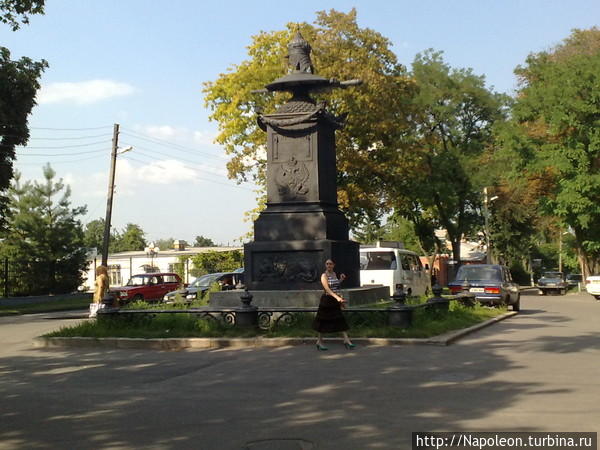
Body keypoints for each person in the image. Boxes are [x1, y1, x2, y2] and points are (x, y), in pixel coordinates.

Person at [312, 259, 356, 350]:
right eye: (327, 264)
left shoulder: (334, 274)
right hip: (327, 301)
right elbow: (327, 289)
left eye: (330, 264)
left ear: (334, 265)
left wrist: (341, 280)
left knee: (340, 319)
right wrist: (337, 298)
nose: (328, 265)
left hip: (335, 300)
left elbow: (335, 286)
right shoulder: (324, 275)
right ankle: (319, 342)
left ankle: (346, 340)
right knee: (323, 321)